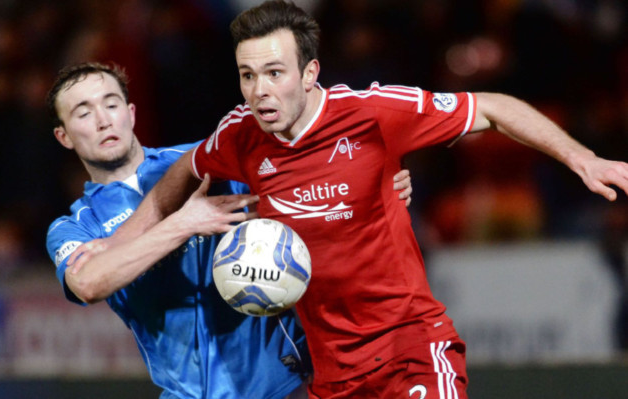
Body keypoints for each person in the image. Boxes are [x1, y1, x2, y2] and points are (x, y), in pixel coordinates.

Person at [68, 1, 628, 398]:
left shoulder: (374, 114)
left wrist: (583, 159)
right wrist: (117, 242)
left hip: (411, 349)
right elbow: (182, 175)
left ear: (310, 73)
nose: (260, 91)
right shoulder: (238, 136)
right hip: (332, 377)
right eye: (247, 75)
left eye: (274, 73)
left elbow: (494, 106)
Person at [45, 61, 414, 399]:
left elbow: (303, 182)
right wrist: (183, 224)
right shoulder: (76, 226)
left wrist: (373, 184)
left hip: (284, 385)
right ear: (63, 136)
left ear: (131, 113)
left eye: (110, 104)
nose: (103, 120)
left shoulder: (202, 162)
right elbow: (89, 283)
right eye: (83, 112)